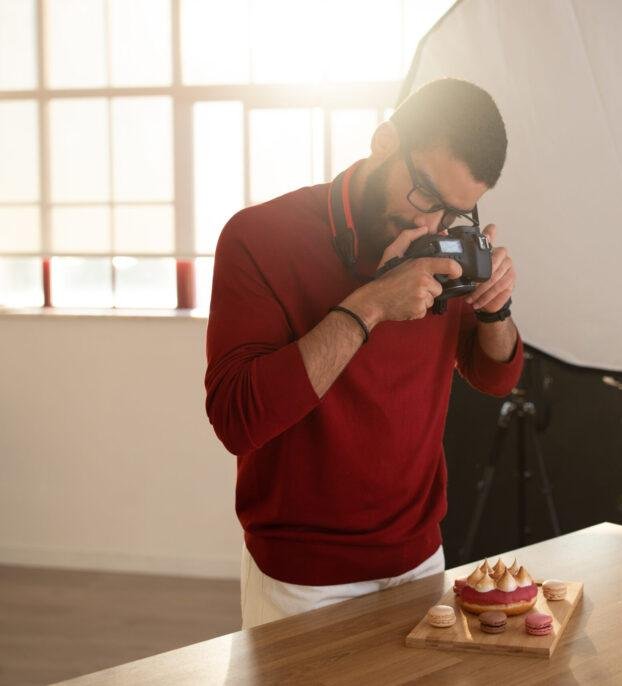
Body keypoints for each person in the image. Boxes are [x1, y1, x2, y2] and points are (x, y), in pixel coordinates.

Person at [203, 78, 524, 629]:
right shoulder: (258, 236)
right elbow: (237, 419)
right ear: (384, 142)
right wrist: (371, 304)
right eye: (425, 196)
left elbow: (493, 376)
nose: (432, 226)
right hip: (301, 579)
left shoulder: (441, 235)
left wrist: (495, 309)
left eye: (454, 213)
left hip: (420, 559)